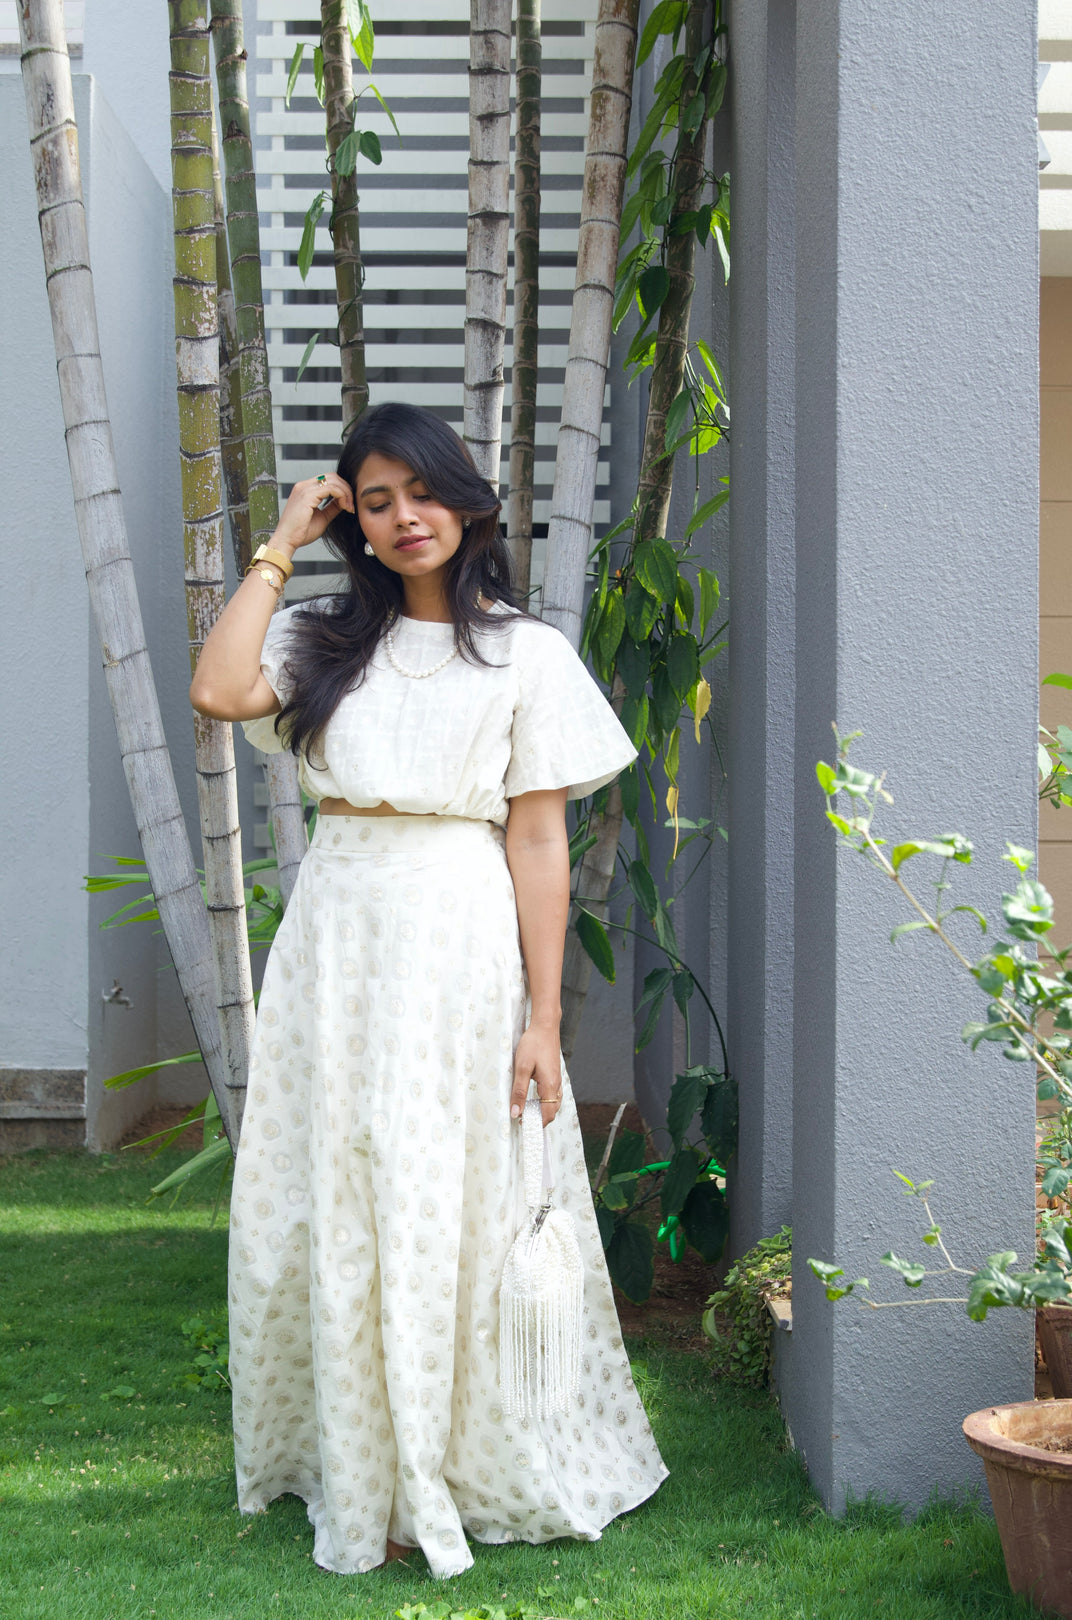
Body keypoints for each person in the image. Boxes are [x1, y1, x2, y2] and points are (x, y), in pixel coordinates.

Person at [189, 401, 668, 1578]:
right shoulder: (316, 639)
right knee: (342, 1185)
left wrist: (543, 1017)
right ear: (355, 513)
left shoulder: (527, 655)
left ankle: (451, 1463)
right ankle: (358, 1464)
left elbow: (541, 842)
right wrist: (281, 540)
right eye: (379, 498)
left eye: (425, 493)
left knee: (450, 1190)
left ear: (469, 501)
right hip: (339, 936)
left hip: (461, 940)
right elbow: (216, 689)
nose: (407, 518)